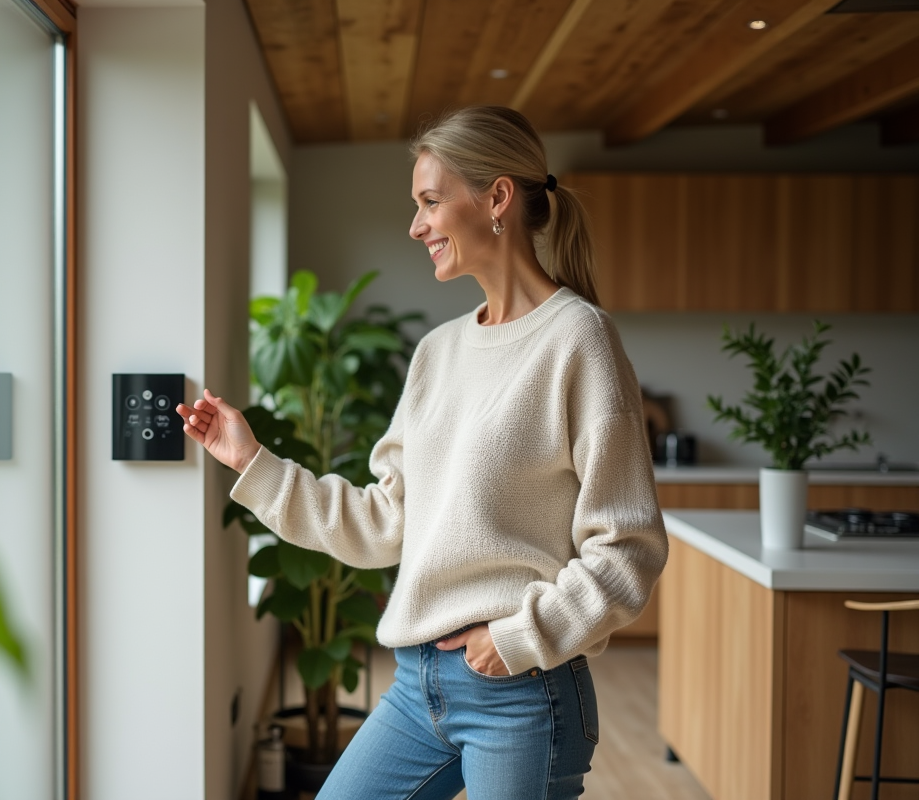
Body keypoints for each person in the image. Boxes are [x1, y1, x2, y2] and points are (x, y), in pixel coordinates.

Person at [176, 106, 668, 800]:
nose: (417, 226)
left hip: (523, 691)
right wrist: (251, 462)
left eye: (431, 202)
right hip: (417, 688)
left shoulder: (579, 341)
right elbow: (386, 520)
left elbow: (628, 547)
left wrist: (521, 637)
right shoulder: (438, 353)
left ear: (496, 198)